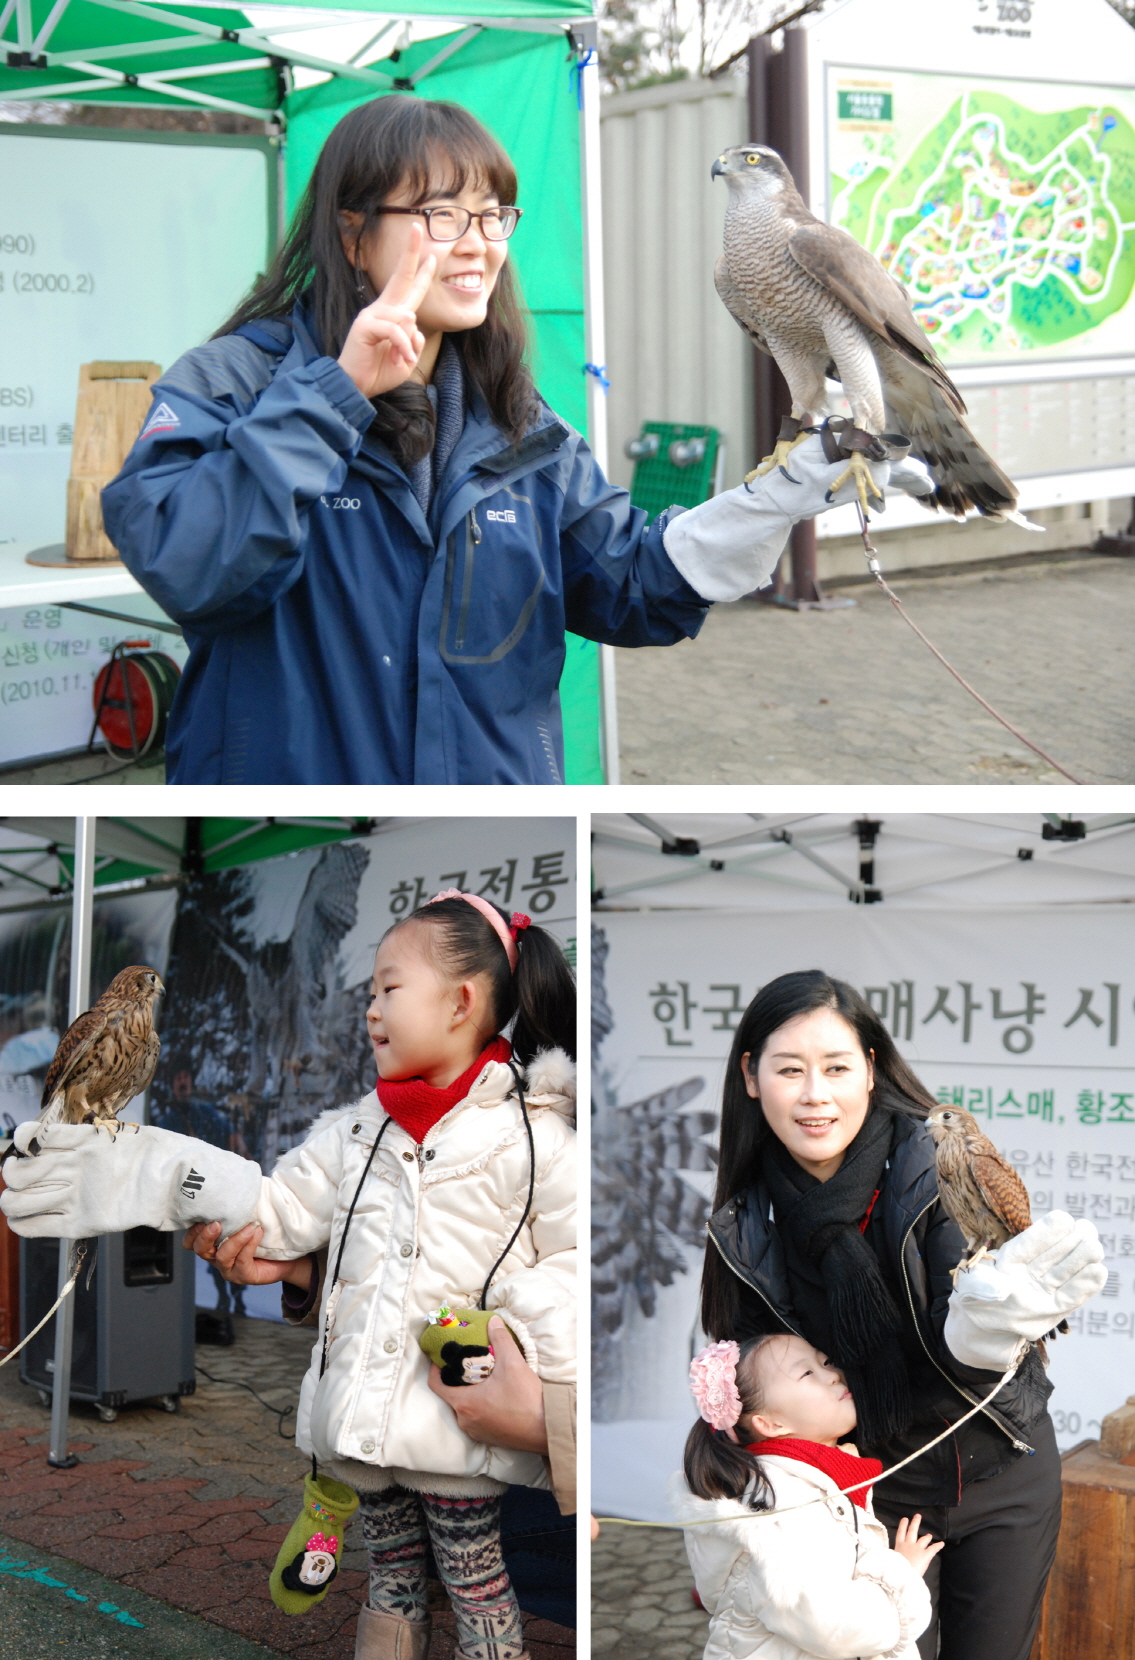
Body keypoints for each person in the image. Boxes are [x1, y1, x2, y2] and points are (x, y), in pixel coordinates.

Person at [100, 95, 935, 785]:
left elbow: (633, 583)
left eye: (493, 215)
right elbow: (191, 570)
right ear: (352, 235)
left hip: (492, 839)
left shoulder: (519, 422)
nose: (477, 244)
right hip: (300, 832)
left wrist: (778, 497)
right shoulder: (229, 383)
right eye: (440, 213)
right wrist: (334, 394)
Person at [1, 891, 577, 1660]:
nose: (369, 1009)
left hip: (462, 1431)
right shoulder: (350, 1134)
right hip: (359, 1433)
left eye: (389, 988)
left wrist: (513, 1334)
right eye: (368, 992)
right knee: (391, 1581)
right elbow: (277, 1212)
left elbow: (573, 1267)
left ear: (462, 1002)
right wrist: (181, 1172)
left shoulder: (536, 1137)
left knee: (476, 1583)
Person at [699, 970, 1105, 1660]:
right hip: (866, 1492)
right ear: (749, 1076)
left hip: (1000, 1468)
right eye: (789, 1070)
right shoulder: (746, 1224)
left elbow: (966, 1333)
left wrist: (990, 1322)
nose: (813, 1094)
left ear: (869, 1070)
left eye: (834, 1067)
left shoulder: (934, 1166)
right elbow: (760, 1382)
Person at [673, 1331, 941, 1660]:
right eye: (807, 1373)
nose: (834, 1375)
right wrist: (902, 1572)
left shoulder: (820, 1479)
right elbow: (837, 1630)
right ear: (769, 1423)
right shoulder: (778, 1506)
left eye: (825, 1362)